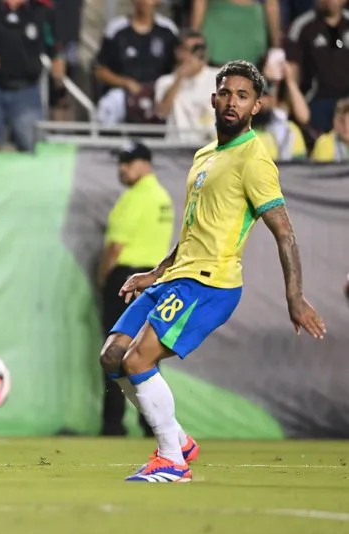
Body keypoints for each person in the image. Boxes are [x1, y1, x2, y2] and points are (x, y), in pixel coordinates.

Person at [99, 60, 326, 483]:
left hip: (210, 282)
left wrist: (294, 296)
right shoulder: (205, 155)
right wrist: (155, 272)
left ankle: (171, 460)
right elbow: (193, 229)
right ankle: (179, 440)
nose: (232, 102)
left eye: (243, 96)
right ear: (213, 98)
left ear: (257, 105)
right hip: (178, 274)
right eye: (226, 93)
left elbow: (285, 233)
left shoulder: (255, 160)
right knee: (112, 355)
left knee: (138, 358)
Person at [96, 141, 173, 437]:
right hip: (153, 283)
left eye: (128, 162)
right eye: (121, 162)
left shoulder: (135, 198)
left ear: (145, 164)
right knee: (146, 352)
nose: (122, 168)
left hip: (126, 280)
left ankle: (112, 423)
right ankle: (155, 423)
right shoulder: (162, 197)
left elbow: (115, 247)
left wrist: (104, 279)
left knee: (114, 352)